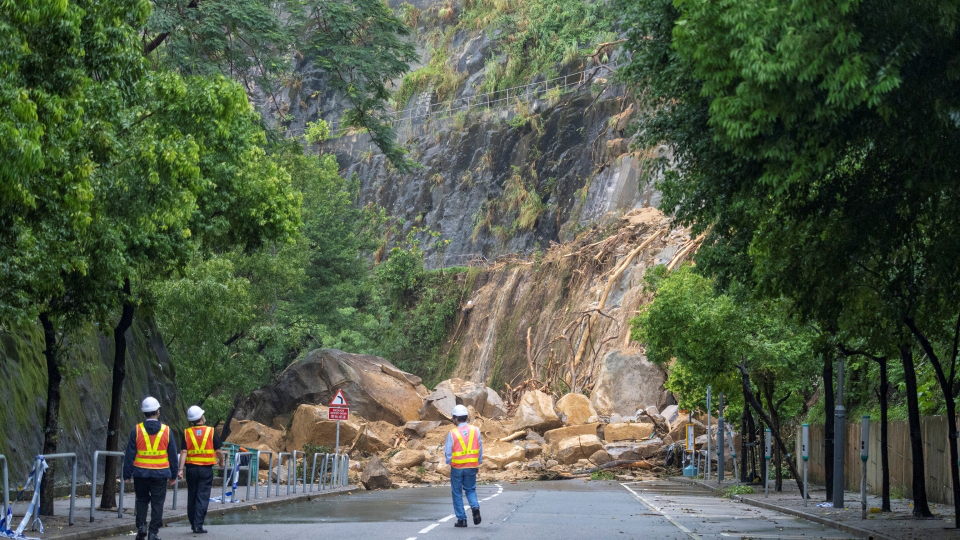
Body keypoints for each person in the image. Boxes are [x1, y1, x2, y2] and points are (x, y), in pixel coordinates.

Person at [123, 397, 178, 540]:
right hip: (160, 473)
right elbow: (172, 454)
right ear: (158, 411)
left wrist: (127, 474)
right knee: (157, 502)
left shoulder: (137, 430)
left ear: (144, 412)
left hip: (141, 472)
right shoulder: (166, 430)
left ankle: (141, 527)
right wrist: (174, 475)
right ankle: (153, 532)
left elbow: (130, 453)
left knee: (141, 500)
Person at [178, 405, 223, 534]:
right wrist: (221, 461)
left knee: (192, 495)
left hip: (191, 469)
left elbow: (183, 451)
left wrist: (181, 469)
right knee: (202, 496)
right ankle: (198, 525)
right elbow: (218, 450)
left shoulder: (187, 432)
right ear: (201, 417)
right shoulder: (211, 431)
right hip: (205, 469)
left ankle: (193, 522)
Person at [444, 404, 482, 528]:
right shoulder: (476, 430)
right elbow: (480, 448)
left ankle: (462, 519)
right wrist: (478, 462)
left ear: (455, 418)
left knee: (457, 493)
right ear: (466, 417)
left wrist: (450, 462)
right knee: (470, 490)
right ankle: (475, 508)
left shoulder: (452, 433)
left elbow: (448, 452)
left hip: (457, 468)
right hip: (471, 466)